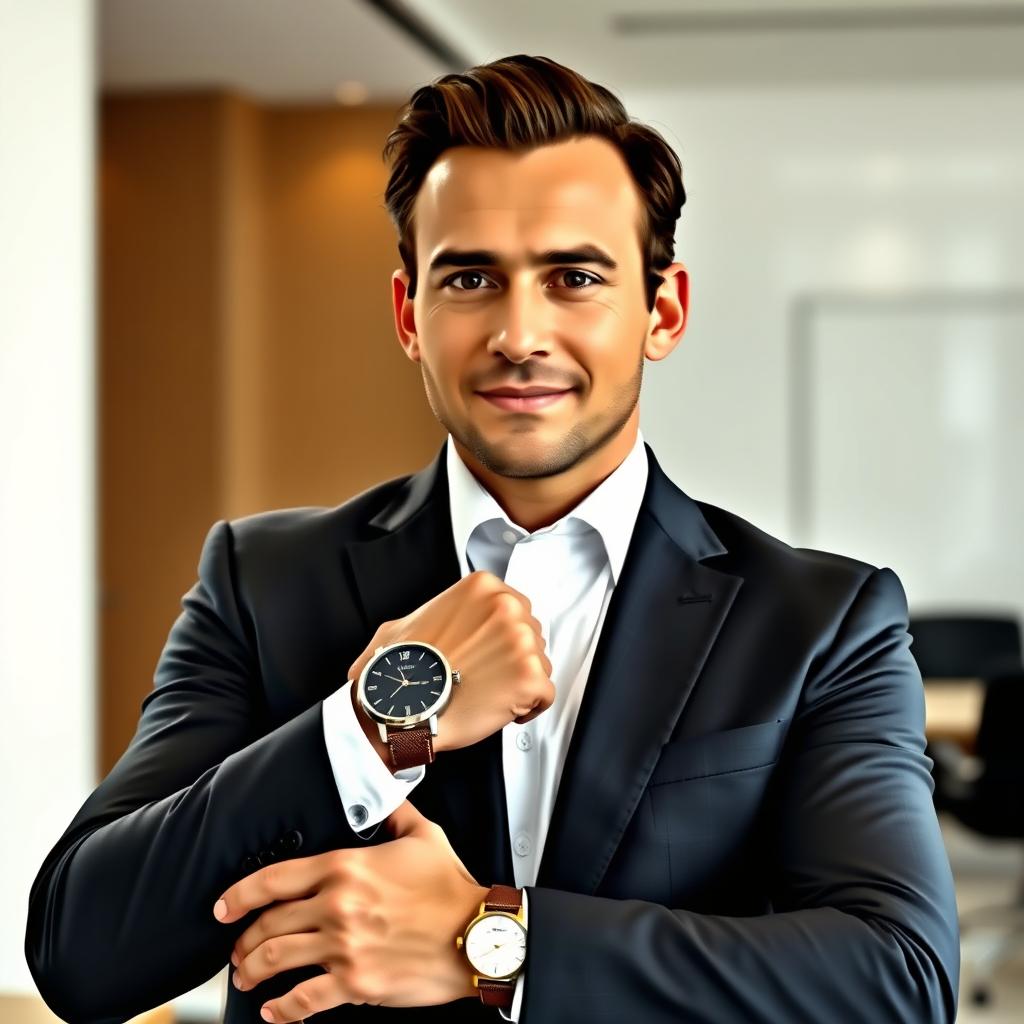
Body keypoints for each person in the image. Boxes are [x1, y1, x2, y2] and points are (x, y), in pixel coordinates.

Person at [25, 54, 959, 1024]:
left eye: (573, 276)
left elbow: (898, 980)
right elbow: (81, 950)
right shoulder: (260, 581)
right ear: (407, 314)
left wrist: (486, 939)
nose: (519, 331)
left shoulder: (821, 620)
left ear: (662, 309)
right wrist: (376, 722)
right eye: (469, 276)